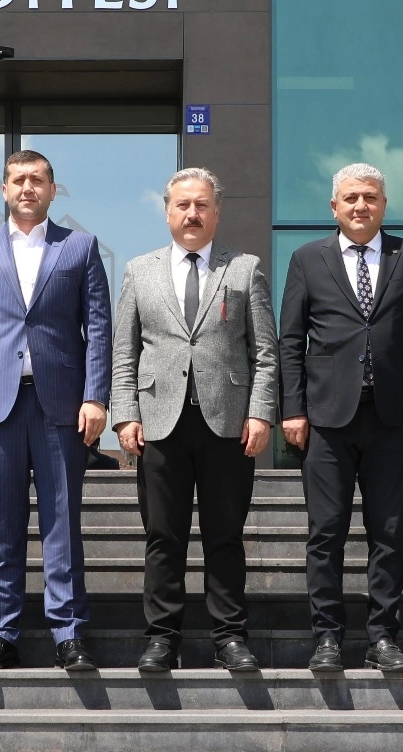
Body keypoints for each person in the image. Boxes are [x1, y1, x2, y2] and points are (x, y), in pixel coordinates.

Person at [0, 149, 112, 671]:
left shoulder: (80, 247)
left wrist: (96, 396)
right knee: (1, 527)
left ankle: (69, 633)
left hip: (61, 403)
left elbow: (98, 329)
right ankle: (1, 634)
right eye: (18, 179)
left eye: (37, 179)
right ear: (3, 189)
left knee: (63, 524)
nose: (27, 188)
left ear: (52, 190)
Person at [278, 162, 403, 673]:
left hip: (392, 418)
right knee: (325, 533)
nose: (360, 205)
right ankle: (327, 637)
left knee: (388, 534)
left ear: (384, 205)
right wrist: (293, 408)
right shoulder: (307, 259)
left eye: (370, 197)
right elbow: (290, 340)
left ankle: (382, 638)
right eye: (351, 197)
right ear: (334, 206)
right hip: (326, 419)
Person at [111, 168, 278, 672]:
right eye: (182, 205)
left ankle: (230, 637)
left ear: (217, 212)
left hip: (227, 423)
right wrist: (125, 415)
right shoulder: (139, 271)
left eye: (202, 205)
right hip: (159, 424)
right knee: (164, 537)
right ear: (167, 212)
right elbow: (125, 351)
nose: (192, 214)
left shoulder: (244, 269)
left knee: (225, 536)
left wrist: (260, 412)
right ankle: (163, 639)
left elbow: (265, 352)